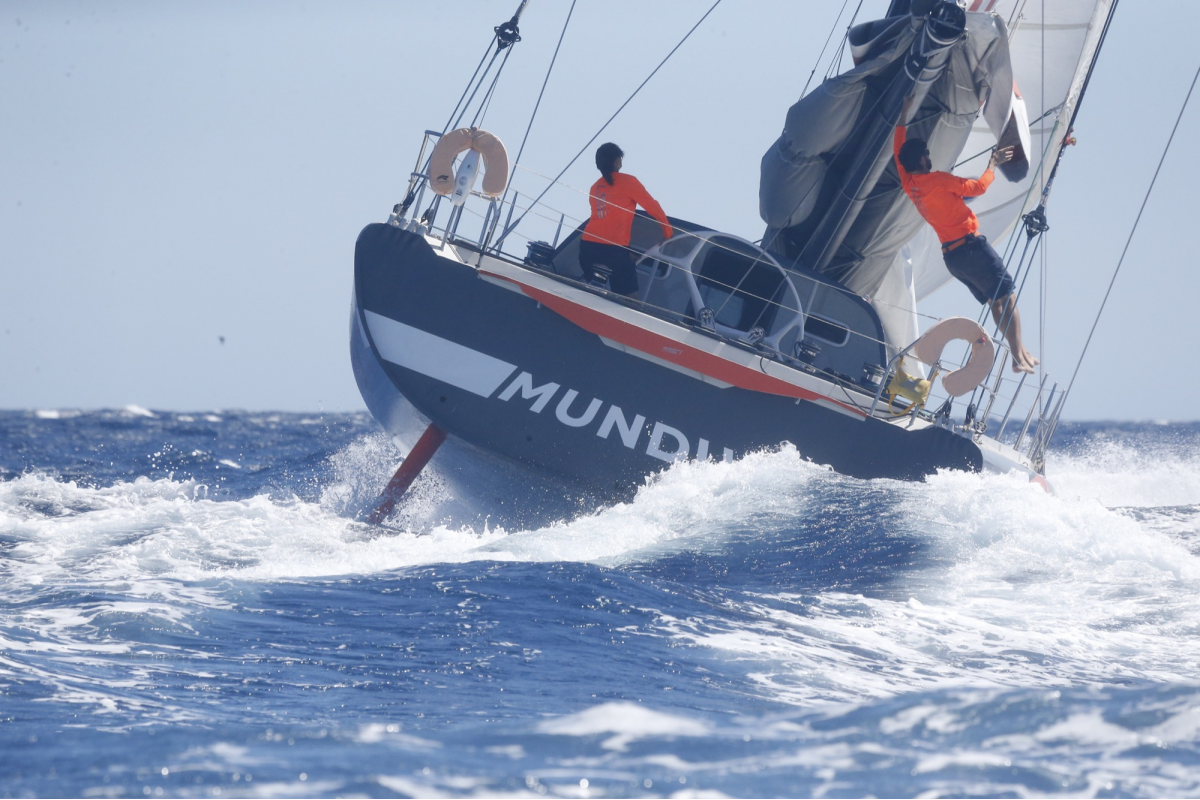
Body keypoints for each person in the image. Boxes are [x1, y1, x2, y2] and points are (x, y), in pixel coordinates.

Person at [894, 99, 1039, 374]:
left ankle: (1019, 351)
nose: (929, 154)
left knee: (993, 301)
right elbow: (979, 187)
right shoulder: (937, 180)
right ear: (923, 159)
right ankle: (1018, 356)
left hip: (954, 258)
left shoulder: (908, 182)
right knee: (1007, 297)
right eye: (926, 152)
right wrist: (992, 164)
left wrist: (902, 115)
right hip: (971, 249)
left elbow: (898, 148)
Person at [579, 142, 674, 298]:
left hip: (588, 248)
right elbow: (653, 207)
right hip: (613, 251)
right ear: (617, 161)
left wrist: (626, 254)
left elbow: (604, 221)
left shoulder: (595, 187)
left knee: (593, 296)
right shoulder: (629, 182)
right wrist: (667, 232)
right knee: (630, 302)